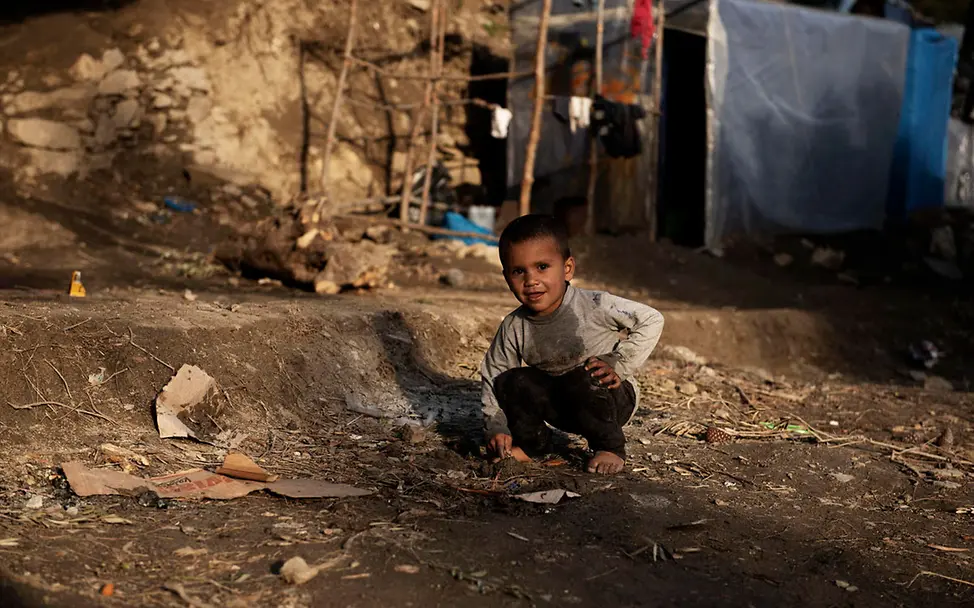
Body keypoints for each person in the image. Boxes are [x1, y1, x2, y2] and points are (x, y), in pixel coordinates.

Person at [480, 214, 664, 475]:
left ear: (567, 268)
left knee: (584, 375)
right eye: (519, 271)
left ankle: (609, 446)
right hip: (560, 406)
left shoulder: (595, 304)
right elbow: (495, 376)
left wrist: (618, 363)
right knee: (512, 380)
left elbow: (651, 319)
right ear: (506, 277)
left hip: (607, 398)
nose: (531, 280)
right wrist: (496, 427)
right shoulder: (514, 326)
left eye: (542, 267)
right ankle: (534, 446)